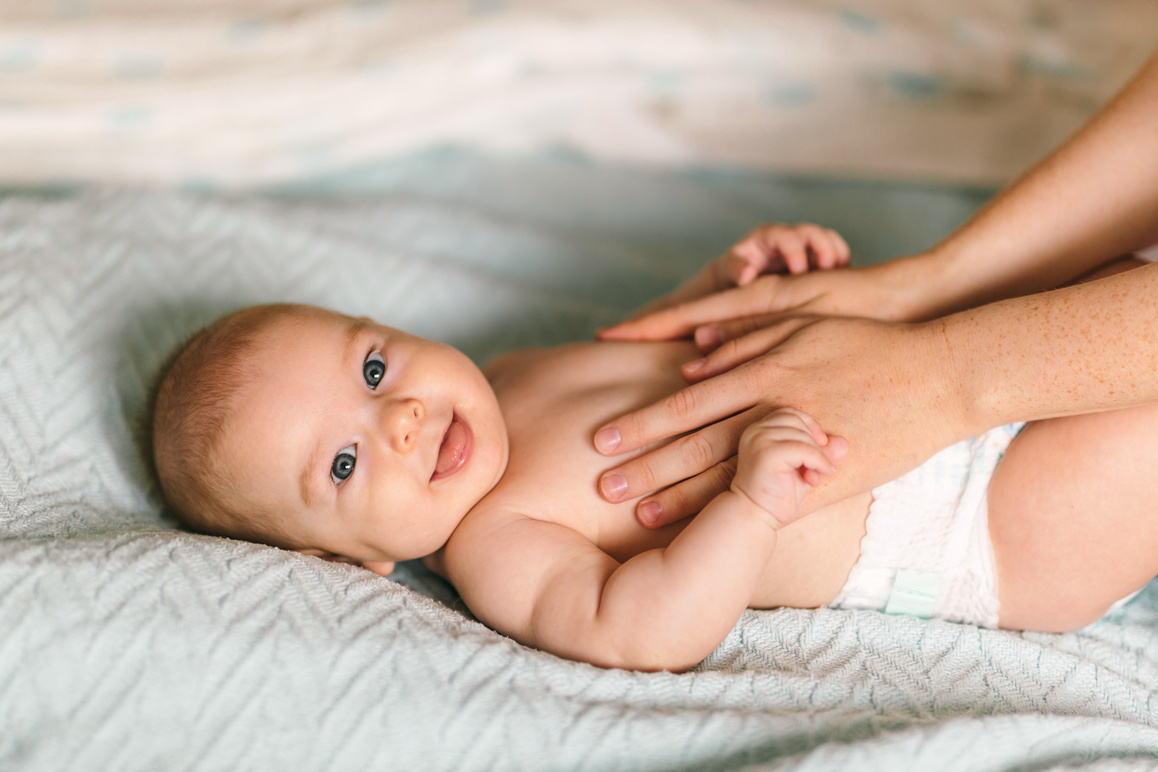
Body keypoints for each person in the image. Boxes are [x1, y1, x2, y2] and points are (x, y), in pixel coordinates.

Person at [152, 234, 1156, 672]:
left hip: (936, 371)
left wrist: (725, 279)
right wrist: (750, 508)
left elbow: (655, 344)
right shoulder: (498, 544)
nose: (401, 418)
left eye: (373, 370)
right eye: (343, 465)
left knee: (1118, 280)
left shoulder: (511, 373)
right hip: (970, 525)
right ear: (354, 560)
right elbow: (642, 628)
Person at [593, 51, 1158, 535]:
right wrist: (931, 287)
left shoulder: (504, 402)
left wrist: (938, 373)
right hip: (976, 517)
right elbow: (633, 632)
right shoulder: (506, 529)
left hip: (950, 492)